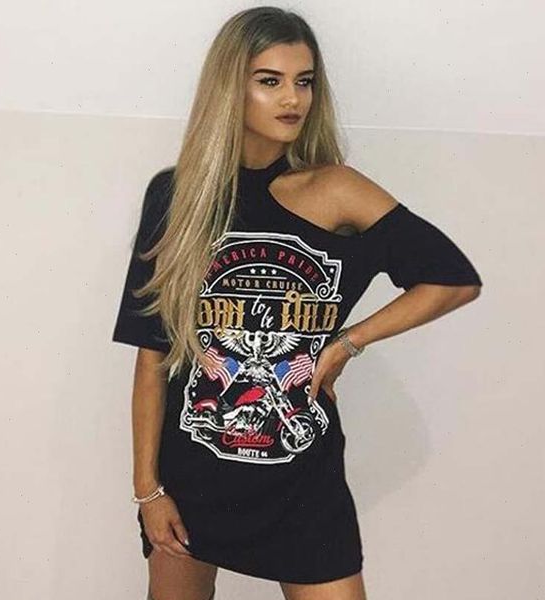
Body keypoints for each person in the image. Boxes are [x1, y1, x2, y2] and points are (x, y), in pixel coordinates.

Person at [111, 7, 483, 600]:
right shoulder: (176, 196)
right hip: (193, 472)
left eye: (304, 81)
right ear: (230, 88)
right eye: (270, 80)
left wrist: (346, 344)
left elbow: (453, 279)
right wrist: (148, 491)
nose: (292, 99)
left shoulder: (336, 189)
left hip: (302, 479)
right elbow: (152, 357)